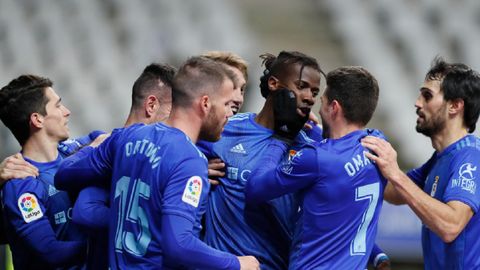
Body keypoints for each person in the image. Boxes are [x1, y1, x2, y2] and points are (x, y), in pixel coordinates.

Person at [54, 56, 260, 269]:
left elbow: (63, 175)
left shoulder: (127, 137)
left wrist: (93, 146)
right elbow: (179, 246)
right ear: (205, 103)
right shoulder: (190, 161)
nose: (229, 114)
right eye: (227, 105)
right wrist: (237, 263)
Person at [245, 66, 386, 269]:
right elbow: (339, 148)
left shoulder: (316, 158)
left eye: (323, 102)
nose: (317, 109)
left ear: (334, 107)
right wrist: (312, 131)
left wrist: (282, 136)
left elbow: (255, 188)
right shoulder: (379, 144)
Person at [197, 51, 323, 270]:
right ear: (274, 83)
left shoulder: (310, 146)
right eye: (301, 86)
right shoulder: (227, 129)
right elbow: (171, 148)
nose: (310, 97)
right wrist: (195, 169)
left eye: (314, 91)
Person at [361, 57, 480, 269]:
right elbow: (393, 192)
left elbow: (450, 226)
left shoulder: (471, 156)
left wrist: (395, 173)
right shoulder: (440, 158)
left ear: (455, 106)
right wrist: (345, 145)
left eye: (427, 96)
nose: (417, 103)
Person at [71, 63, 176, 270]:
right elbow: (84, 212)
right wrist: (145, 222)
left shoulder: (170, 152)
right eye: (172, 110)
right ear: (151, 105)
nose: (176, 119)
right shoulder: (113, 150)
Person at [0, 75, 90, 269]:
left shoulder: (72, 150)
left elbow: (104, 137)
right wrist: (110, 243)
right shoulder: (22, 183)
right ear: (37, 119)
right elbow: (50, 251)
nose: (67, 112)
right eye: (58, 105)